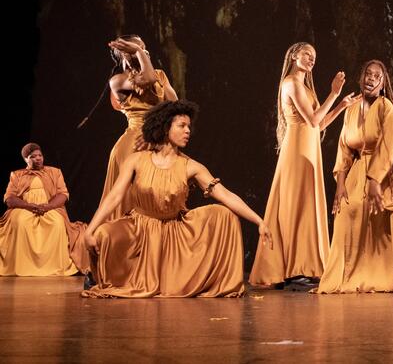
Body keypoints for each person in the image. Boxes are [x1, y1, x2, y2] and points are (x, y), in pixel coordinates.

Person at [82, 100, 272, 298]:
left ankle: (184, 276)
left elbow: (225, 194)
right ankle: (103, 277)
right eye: (182, 126)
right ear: (165, 128)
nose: (188, 131)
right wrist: (90, 230)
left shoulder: (191, 166)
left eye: (189, 126)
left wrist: (259, 221)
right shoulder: (137, 160)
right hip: (139, 229)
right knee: (104, 233)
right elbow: (114, 197)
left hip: (173, 233)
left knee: (223, 214)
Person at [317, 60, 393, 293]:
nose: (371, 79)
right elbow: (344, 148)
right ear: (362, 79)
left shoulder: (385, 107)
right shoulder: (352, 108)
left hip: (388, 174)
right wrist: (340, 185)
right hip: (358, 172)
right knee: (346, 211)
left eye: (376, 76)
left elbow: (390, 144)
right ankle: (354, 275)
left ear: (383, 84)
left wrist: (375, 180)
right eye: (368, 75)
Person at [249, 42, 357, 289]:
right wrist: (334, 94)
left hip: (309, 149)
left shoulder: (305, 87)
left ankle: (305, 265)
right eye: (307, 54)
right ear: (294, 55)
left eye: (314, 56)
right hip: (297, 150)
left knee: (306, 205)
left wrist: (341, 106)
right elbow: (311, 119)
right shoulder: (290, 83)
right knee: (294, 205)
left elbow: (318, 126)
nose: (311, 59)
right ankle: (292, 268)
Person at [84, 35, 178, 221]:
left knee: (160, 198)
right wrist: (138, 52)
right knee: (132, 201)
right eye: (136, 49)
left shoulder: (160, 75)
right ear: (124, 54)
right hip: (134, 142)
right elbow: (147, 79)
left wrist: (158, 131)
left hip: (156, 138)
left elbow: (174, 105)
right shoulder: (118, 81)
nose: (143, 51)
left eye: (143, 48)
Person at [1, 143, 88, 276]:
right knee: (20, 222)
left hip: (50, 207)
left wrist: (47, 206)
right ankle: (22, 266)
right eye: (33, 156)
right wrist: (29, 206)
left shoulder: (55, 172)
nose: (38, 159)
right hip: (24, 207)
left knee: (57, 223)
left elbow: (63, 194)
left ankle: (54, 266)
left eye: (40, 155)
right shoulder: (17, 175)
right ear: (26, 159)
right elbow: (9, 199)